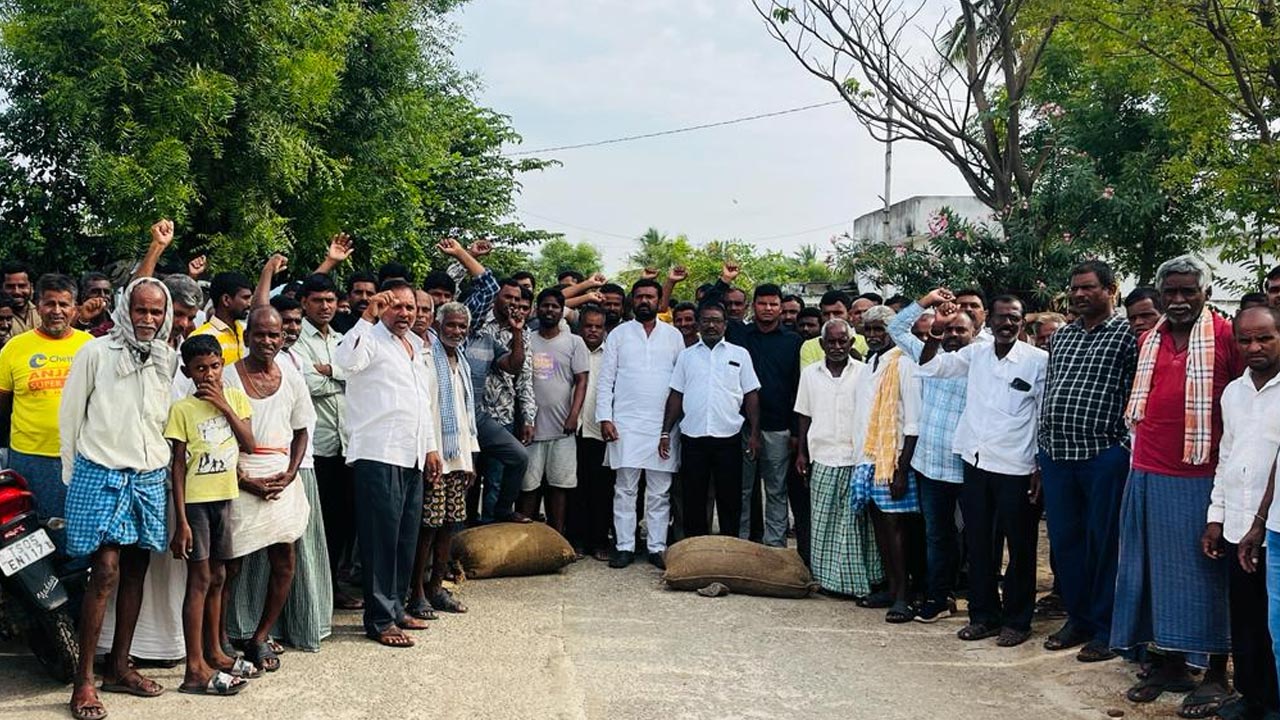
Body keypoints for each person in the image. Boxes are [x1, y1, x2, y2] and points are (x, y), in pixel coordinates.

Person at [1112, 255, 1241, 718]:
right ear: (1161, 294)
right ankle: (1169, 663)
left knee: (1206, 580)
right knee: (1153, 576)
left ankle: (1213, 676)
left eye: (1190, 291)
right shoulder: (1150, 337)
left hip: (1202, 479)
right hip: (1146, 471)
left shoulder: (1226, 337)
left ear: (1206, 293)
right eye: (1172, 292)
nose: (1180, 300)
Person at [59, 277, 177, 720]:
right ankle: (84, 680)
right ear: (126, 309)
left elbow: (161, 417)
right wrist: (73, 476)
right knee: (104, 570)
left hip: (148, 475)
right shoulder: (94, 351)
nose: (147, 319)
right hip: (99, 471)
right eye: (140, 310)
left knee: (136, 569)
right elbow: (70, 415)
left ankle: (120, 667)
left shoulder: (166, 356)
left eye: (156, 312)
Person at [916, 290, 1048, 647]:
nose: (1007, 323)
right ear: (987, 319)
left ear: (1022, 322)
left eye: (1014, 318)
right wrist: (936, 332)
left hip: (1018, 467)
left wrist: (1039, 467)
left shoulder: (1038, 361)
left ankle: (1018, 622)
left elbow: (1042, 417)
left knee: (1020, 549)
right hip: (975, 463)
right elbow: (930, 366)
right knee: (979, 546)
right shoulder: (975, 354)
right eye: (1001, 317)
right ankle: (984, 617)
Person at [1037, 261, 1137, 662]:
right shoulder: (1062, 337)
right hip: (1057, 457)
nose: (1079, 295)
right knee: (1065, 544)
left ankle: (1106, 627)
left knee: (1104, 543)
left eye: (1088, 288)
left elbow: (1134, 394)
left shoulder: (1128, 335)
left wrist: (1121, 449)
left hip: (1102, 455)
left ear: (1111, 290)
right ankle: (1077, 618)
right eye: (1074, 289)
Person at [335, 281, 442, 648]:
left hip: (410, 455)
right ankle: (379, 619)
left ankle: (396, 608)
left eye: (411, 308)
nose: (405, 314)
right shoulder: (369, 338)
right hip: (378, 453)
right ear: (382, 307)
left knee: (404, 539)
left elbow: (421, 403)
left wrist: (430, 449)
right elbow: (345, 361)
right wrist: (366, 317)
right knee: (380, 540)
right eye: (396, 307)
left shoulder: (414, 347)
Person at [219, 305, 315, 669]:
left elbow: (303, 428)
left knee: (284, 559)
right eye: (260, 334)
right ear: (246, 337)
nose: (268, 341)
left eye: (274, 335)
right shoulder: (226, 376)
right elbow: (214, 435)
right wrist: (244, 480)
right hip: (238, 475)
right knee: (230, 565)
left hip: (280, 476)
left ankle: (260, 637)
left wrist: (291, 472)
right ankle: (221, 638)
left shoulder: (291, 376)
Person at [166, 334, 257, 695]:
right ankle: (193, 667)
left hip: (226, 498)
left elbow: (249, 443)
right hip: (196, 504)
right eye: (200, 369)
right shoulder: (182, 410)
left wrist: (224, 406)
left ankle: (215, 651)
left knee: (220, 574)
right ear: (188, 372)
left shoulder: (234, 398)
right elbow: (176, 465)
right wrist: (182, 522)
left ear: (223, 365)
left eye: (215, 366)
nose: (208, 375)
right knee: (200, 579)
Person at [1201, 305, 1280, 720]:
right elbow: (1226, 455)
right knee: (1246, 618)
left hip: (1272, 530)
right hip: (1236, 526)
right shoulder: (1233, 392)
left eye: (1264, 337)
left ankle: (1273, 701)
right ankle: (1251, 696)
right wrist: (1217, 516)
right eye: (1245, 339)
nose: (1254, 347)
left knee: (1274, 624)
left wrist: (1259, 522)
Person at [887, 296, 975, 623]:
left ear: (974, 334)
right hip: (930, 464)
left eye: (960, 330)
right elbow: (895, 327)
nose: (953, 334)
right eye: (946, 328)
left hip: (968, 464)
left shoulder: (980, 357)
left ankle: (981, 598)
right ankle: (939, 597)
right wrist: (926, 303)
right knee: (937, 535)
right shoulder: (927, 355)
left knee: (977, 536)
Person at [0, 273, 94, 553]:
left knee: (75, 536)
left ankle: (77, 594)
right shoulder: (14, 348)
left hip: (81, 458)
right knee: (28, 536)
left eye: (64, 304)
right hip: (29, 459)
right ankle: (31, 596)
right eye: (49, 303)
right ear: (38, 306)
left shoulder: (90, 347)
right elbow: (2, 407)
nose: (56, 311)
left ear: (75, 308)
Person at [597, 278, 684, 569]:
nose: (644, 301)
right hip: (625, 423)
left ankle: (657, 547)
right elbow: (606, 379)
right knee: (625, 488)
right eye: (639, 297)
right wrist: (605, 417)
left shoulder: (673, 336)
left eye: (650, 297)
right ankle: (624, 546)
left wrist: (671, 426)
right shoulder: (619, 334)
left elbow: (679, 384)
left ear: (660, 302)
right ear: (632, 301)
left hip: (663, 426)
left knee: (660, 490)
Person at [796, 318, 882, 597]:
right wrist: (801, 453)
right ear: (822, 344)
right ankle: (829, 581)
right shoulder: (810, 374)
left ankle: (859, 583)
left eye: (842, 341)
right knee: (822, 523)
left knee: (856, 525)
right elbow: (804, 415)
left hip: (855, 458)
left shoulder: (864, 372)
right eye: (831, 342)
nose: (836, 346)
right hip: (822, 456)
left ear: (851, 342)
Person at [662, 301, 761, 538]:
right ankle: (697, 552)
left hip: (729, 438)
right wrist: (665, 431)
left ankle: (729, 551)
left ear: (725, 325)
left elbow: (751, 395)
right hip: (693, 439)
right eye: (705, 320)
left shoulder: (740, 355)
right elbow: (676, 395)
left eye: (716, 321)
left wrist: (755, 434)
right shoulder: (686, 357)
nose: (711, 325)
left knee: (730, 500)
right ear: (698, 324)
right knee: (693, 499)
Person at [849, 305, 922, 623]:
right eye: (870, 330)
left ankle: (905, 597)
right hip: (869, 459)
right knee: (880, 526)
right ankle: (892, 590)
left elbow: (913, 423)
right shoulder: (870, 363)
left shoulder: (904, 364)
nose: (875, 335)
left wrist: (902, 470)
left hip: (893, 461)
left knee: (897, 530)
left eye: (881, 329)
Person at [292, 273, 360, 610]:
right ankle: (309, 595)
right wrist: (340, 376)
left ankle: (333, 587)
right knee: (311, 524)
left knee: (340, 522)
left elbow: (357, 376)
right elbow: (305, 384)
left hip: (344, 445)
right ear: (305, 303)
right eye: (318, 300)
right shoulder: (295, 338)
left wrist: (329, 371)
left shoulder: (341, 338)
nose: (325, 306)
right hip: (313, 448)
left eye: (330, 300)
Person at [408, 302, 479, 619]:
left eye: (462, 327)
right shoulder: (425, 360)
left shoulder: (461, 362)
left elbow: (466, 416)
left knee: (450, 524)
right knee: (428, 526)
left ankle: (437, 586)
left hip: (458, 459)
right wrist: (429, 452)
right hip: (433, 457)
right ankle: (417, 591)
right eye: (451, 325)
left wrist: (470, 459)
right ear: (438, 325)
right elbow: (424, 413)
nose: (456, 332)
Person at [735, 284, 803, 551]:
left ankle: (774, 547)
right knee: (743, 490)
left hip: (778, 427)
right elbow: (711, 305)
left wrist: (796, 432)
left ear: (780, 307)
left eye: (773, 304)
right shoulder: (740, 335)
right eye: (762, 303)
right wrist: (726, 281)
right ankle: (739, 545)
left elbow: (798, 389)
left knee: (776, 490)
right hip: (742, 425)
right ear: (754, 305)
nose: (768, 309)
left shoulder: (793, 341)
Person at [518, 288, 589, 536]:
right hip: (531, 429)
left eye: (555, 306)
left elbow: (581, 381)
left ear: (562, 311)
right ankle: (526, 542)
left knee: (559, 486)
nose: (550, 310)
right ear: (537, 309)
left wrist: (573, 415)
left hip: (562, 429)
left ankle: (557, 538)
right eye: (545, 306)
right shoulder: (526, 337)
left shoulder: (574, 342)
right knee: (529, 487)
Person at [472, 279, 535, 523]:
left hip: (502, 414)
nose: (512, 303)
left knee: (497, 479)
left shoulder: (522, 332)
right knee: (469, 477)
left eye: (517, 300)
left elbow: (523, 375)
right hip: (470, 412)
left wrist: (528, 416)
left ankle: (493, 528)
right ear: (496, 297)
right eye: (507, 297)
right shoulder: (478, 324)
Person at [567, 306, 615, 560]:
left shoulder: (613, 354)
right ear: (580, 327)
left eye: (598, 326)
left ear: (604, 328)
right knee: (575, 488)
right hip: (572, 428)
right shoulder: (572, 349)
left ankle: (599, 541)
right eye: (588, 326)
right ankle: (575, 540)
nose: (593, 330)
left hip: (600, 430)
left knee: (601, 489)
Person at [191, 271, 253, 363]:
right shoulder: (200, 338)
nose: (249, 304)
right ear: (226, 300)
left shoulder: (245, 331)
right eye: (245, 298)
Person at [800, 291, 869, 366]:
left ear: (849, 314)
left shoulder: (865, 342)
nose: (831, 318)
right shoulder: (809, 346)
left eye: (837, 313)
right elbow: (808, 375)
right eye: (826, 314)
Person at [1, 261, 39, 334]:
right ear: (2, 288)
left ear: (31, 287)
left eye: (22, 286)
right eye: (10, 287)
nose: (16, 292)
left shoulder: (43, 312)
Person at [74, 272, 115, 337]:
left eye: (106, 292)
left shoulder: (117, 321)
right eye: (95, 292)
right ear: (83, 296)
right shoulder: (71, 319)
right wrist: (82, 322)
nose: (102, 296)